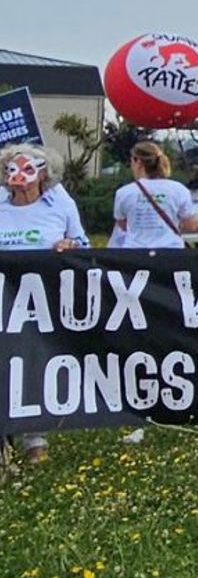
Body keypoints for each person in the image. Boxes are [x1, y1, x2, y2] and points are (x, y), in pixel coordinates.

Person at [0, 143, 86, 466]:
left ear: (43, 174)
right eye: (11, 169)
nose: (18, 176)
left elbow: (82, 244)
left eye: (27, 169)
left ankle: (34, 438)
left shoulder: (59, 205)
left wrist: (69, 246)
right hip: (1, 300)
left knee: (31, 365)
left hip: (40, 303)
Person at [113, 141, 198, 249]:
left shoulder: (124, 192)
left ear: (138, 162)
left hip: (135, 252)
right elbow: (191, 225)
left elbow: (122, 224)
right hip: (170, 250)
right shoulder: (179, 190)